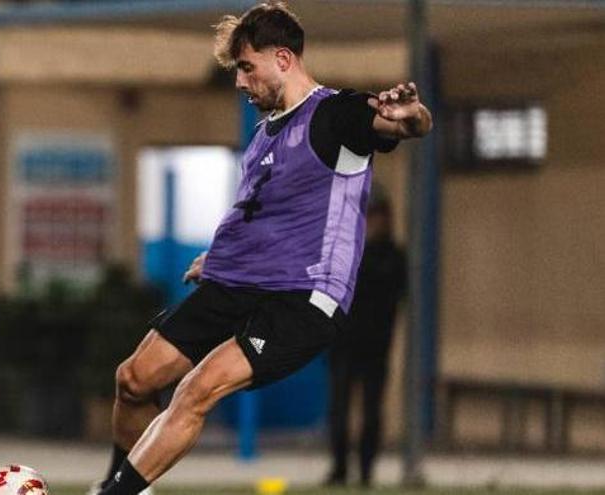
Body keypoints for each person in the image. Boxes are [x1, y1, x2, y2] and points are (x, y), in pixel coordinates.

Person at [91, 3, 432, 494]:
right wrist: (220, 259)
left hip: (300, 298)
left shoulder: (337, 115)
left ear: (285, 60)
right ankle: (122, 486)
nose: (239, 82)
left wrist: (412, 116)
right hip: (237, 282)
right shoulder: (266, 135)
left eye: (247, 68)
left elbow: (406, 124)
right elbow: (268, 213)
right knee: (134, 378)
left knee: (196, 390)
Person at [325, 185, 406, 487]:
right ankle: (339, 469)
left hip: (375, 348)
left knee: (371, 413)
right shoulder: (345, 253)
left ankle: (366, 471)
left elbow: (394, 293)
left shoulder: (393, 257)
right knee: (339, 411)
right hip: (343, 345)